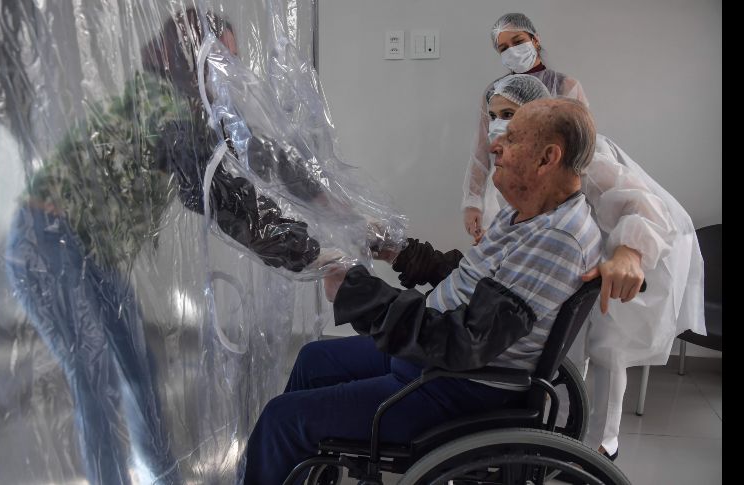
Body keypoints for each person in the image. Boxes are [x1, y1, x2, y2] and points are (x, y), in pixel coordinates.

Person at [3, 8, 323, 484]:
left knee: (137, 367)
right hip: (46, 244)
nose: (230, 75)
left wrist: (322, 199)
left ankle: (161, 477)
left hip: (91, 251)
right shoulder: (163, 108)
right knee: (97, 378)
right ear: (189, 59)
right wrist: (307, 251)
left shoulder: (194, 113)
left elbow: (251, 151)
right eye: (222, 62)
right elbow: (214, 195)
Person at [242, 97, 603, 484]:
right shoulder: (531, 216)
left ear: (547, 158)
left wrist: (359, 292)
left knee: (282, 420)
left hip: (456, 387)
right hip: (436, 363)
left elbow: (465, 341)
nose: (495, 146)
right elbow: (472, 280)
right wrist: (398, 251)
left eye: (512, 139)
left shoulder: (556, 240)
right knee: (314, 359)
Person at [448, 73, 705, 461]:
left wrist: (629, 252)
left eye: (509, 113)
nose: (500, 123)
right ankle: (562, 435)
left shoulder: (585, 155)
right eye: (494, 114)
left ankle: (602, 445)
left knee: (606, 349)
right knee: (566, 349)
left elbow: (642, 206)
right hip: (574, 254)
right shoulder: (516, 155)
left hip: (616, 250)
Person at [462, 12, 589, 241]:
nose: (511, 50)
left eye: (518, 42)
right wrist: (473, 202)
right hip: (502, 191)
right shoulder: (494, 92)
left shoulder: (565, 86)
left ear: (535, 40)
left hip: (551, 193)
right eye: (503, 48)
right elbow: (481, 150)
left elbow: (582, 148)